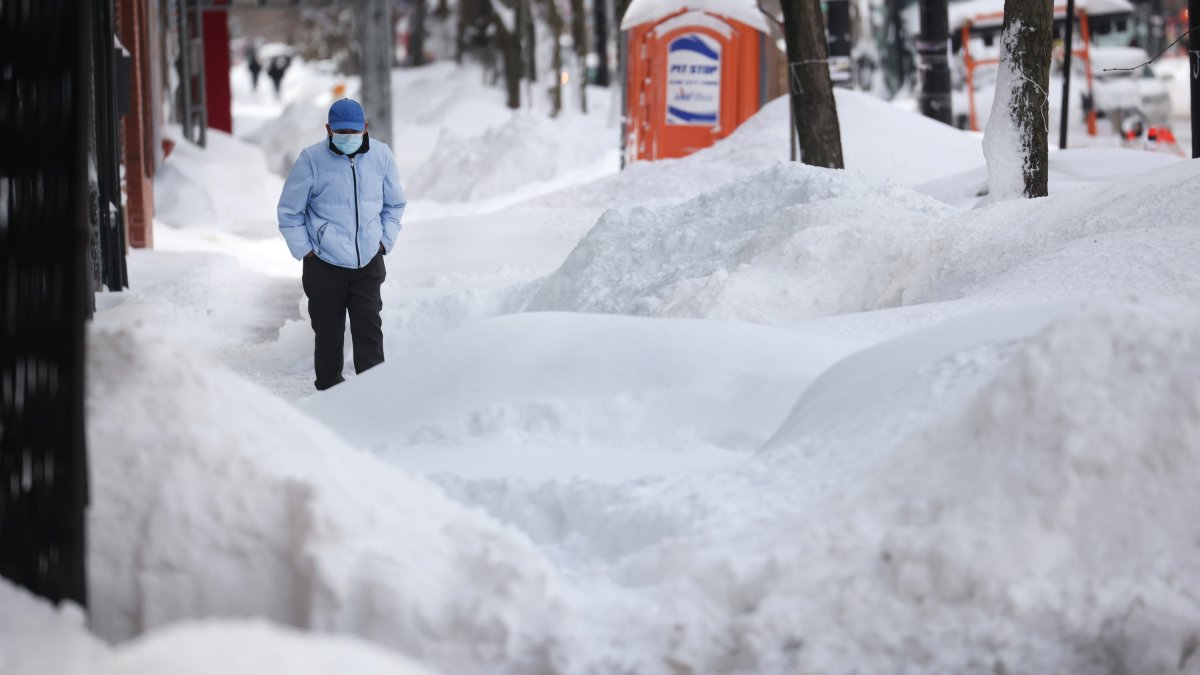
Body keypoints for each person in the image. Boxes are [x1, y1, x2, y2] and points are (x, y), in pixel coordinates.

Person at [277, 98, 407, 391]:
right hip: (325, 264)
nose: (348, 137)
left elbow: (395, 204)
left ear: (365, 127)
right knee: (328, 334)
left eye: (354, 131)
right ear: (328, 129)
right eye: (341, 132)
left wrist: (385, 241)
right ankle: (329, 392)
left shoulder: (381, 156)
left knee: (369, 331)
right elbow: (289, 211)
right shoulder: (311, 160)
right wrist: (306, 249)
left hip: (368, 261)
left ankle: (372, 394)